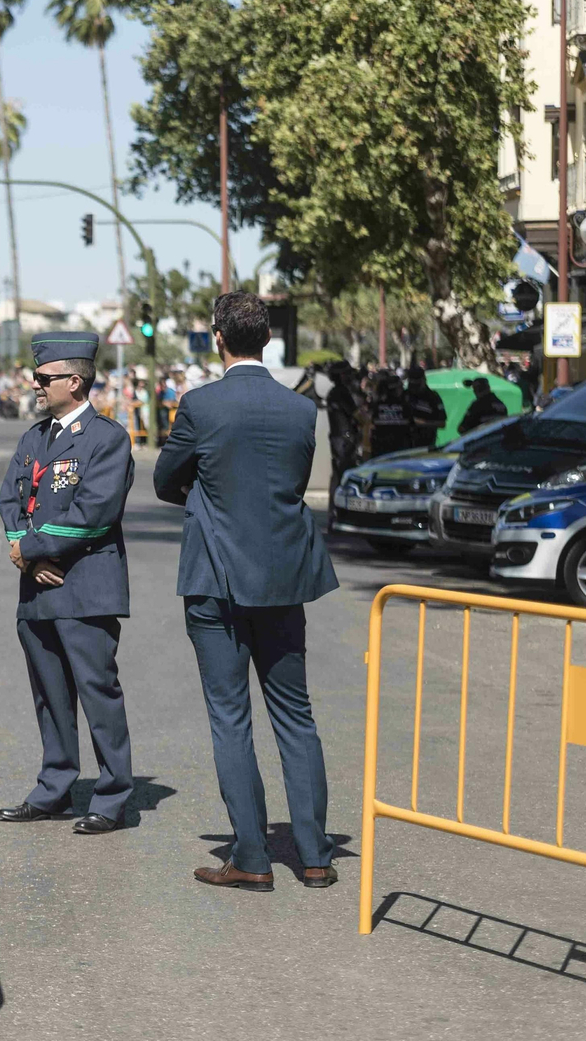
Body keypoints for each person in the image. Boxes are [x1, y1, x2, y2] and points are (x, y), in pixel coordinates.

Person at [153, 292, 339, 892]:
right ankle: (315, 855)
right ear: (266, 339)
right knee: (296, 715)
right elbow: (289, 481)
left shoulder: (201, 405)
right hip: (285, 577)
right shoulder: (298, 409)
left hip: (216, 581)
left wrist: (207, 497)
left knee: (231, 719)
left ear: (217, 339)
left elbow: (165, 479)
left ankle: (253, 858)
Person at [0, 329, 137, 835]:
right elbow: (10, 499)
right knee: (49, 695)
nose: (35, 384)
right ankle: (54, 787)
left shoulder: (108, 439)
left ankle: (112, 795)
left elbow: (93, 514)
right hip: (38, 588)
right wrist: (26, 558)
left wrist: (28, 548)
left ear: (74, 382)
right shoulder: (34, 437)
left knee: (98, 693)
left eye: (43, 377)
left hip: (85, 589)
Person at [366, 370, 413, 458]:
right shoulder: (404, 406)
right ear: (395, 389)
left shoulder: (376, 406)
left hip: (380, 451)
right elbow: (411, 425)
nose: (403, 389)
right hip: (400, 451)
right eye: (400, 387)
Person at [404, 366, 447, 449]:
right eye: (412, 384)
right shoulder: (405, 395)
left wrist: (423, 423)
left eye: (417, 384)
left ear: (424, 380)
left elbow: (442, 423)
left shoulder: (432, 397)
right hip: (406, 444)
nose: (414, 388)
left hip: (425, 444)